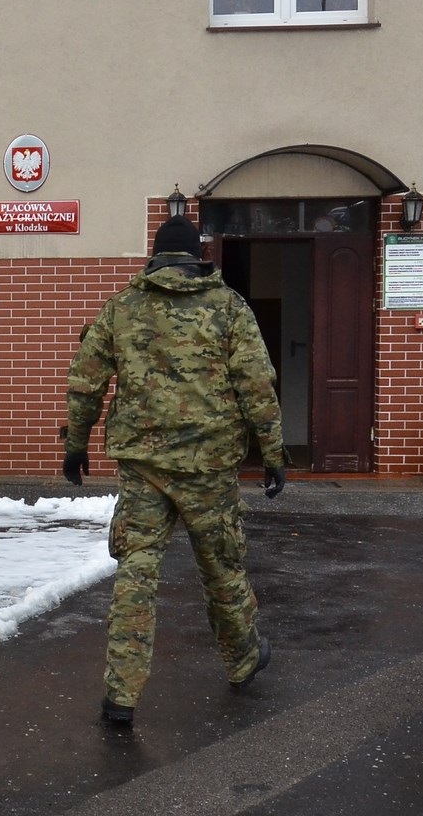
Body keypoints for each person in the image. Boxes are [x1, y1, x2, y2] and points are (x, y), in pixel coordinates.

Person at [64, 214, 283, 726]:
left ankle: (121, 695)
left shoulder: (121, 307)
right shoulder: (229, 306)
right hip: (210, 465)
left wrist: (76, 444)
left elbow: (86, 381)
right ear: (197, 256)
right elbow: (256, 384)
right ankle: (243, 659)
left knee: (136, 571)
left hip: (143, 465)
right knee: (222, 565)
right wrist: (273, 452)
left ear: (156, 256)